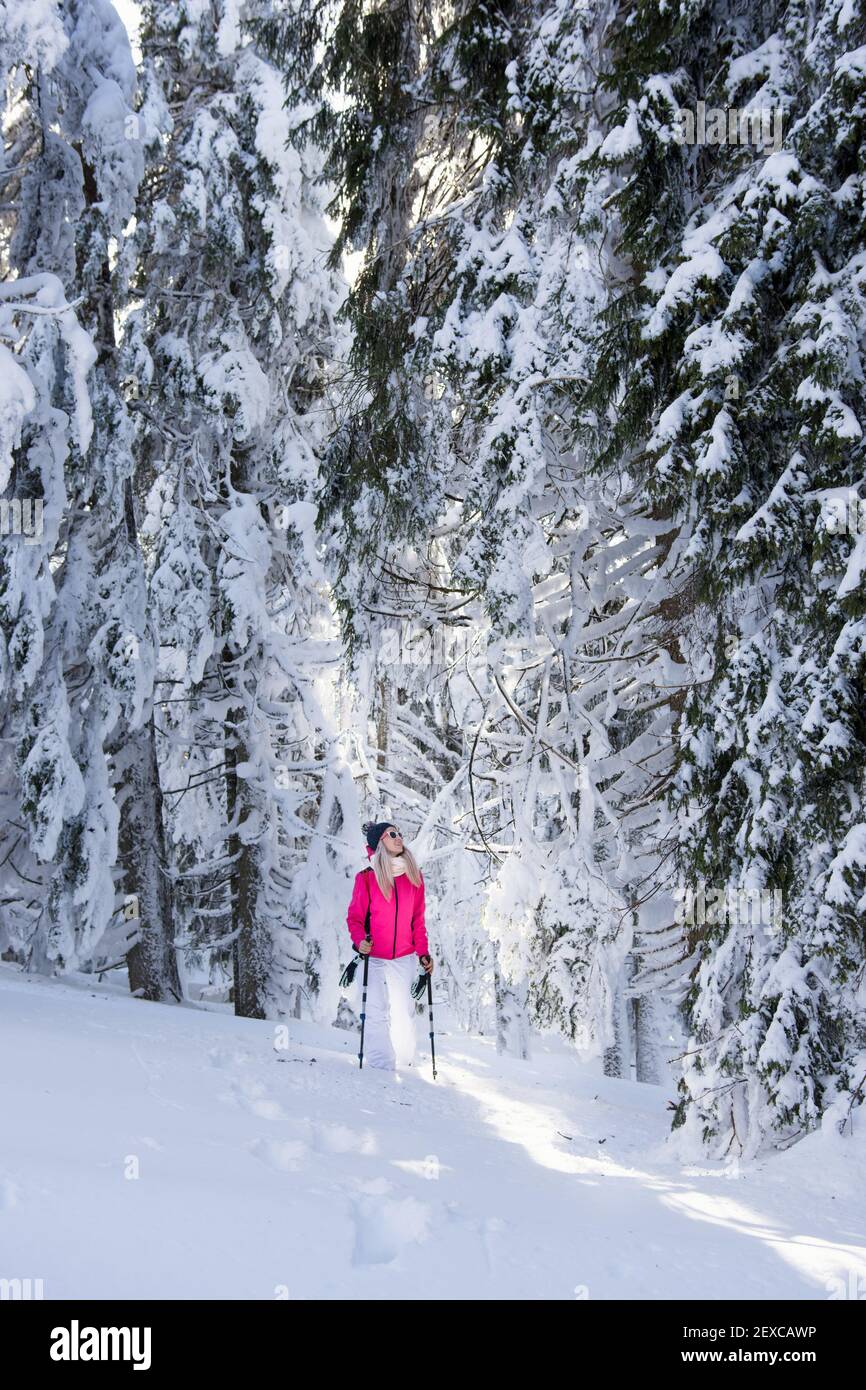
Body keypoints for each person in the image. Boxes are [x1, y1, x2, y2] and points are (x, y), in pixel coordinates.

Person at [346, 821, 434, 1072]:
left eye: (399, 833)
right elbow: (354, 918)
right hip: (373, 955)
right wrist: (359, 940)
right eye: (392, 834)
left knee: (404, 1009)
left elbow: (418, 920)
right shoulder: (366, 878)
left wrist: (423, 953)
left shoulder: (414, 877)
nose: (399, 838)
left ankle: (406, 1060)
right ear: (379, 843)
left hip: (403, 954)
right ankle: (381, 1065)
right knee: (375, 1009)